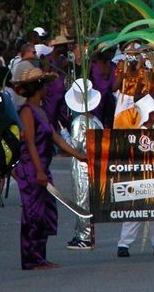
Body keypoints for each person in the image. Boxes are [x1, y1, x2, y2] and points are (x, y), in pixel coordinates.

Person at [12, 68, 86, 270]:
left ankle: (40, 257)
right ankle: (31, 259)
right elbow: (29, 143)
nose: (47, 89)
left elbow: (57, 139)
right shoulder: (27, 111)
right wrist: (39, 171)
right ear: (38, 88)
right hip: (31, 169)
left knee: (45, 213)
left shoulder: (41, 111)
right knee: (33, 215)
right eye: (45, 85)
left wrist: (79, 155)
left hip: (42, 167)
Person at [117, 95, 154, 258]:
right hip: (138, 175)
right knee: (134, 209)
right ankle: (124, 244)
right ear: (148, 114)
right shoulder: (134, 133)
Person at [64, 79, 103, 250]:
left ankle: (84, 236)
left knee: (82, 200)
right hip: (93, 163)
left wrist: (63, 135)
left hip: (82, 164)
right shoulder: (96, 120)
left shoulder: (79, 121)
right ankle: (84, 233)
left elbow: (74, 146)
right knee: (86, 200)